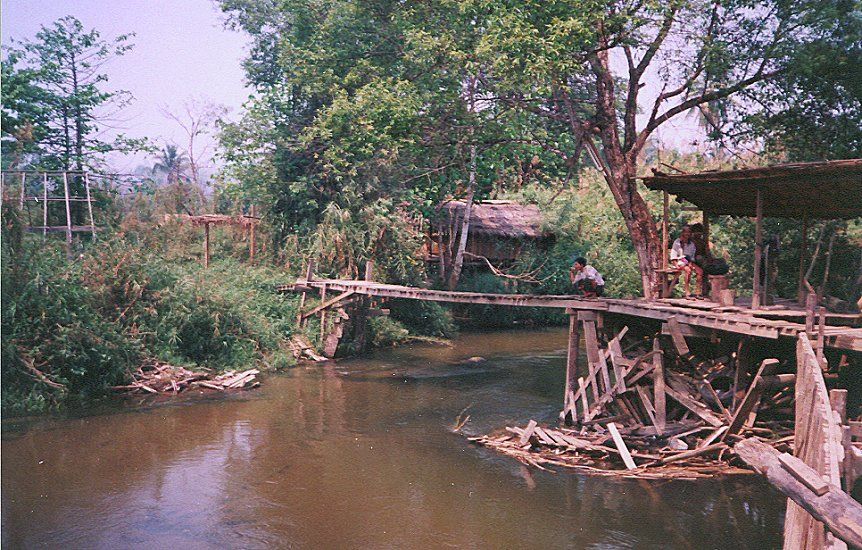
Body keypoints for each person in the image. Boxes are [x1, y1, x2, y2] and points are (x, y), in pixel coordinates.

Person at [670, 225, 703, 297]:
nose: (687, 234)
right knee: (688, 270)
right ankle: (687, 292)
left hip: (689, 261)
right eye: (685, 232)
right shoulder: (677, 242)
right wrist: (676, 265)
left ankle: (698, 292)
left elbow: (691, 256)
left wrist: (690, 263)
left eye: (689, 232)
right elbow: (674, 256)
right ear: (682, 232)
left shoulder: (691, 244)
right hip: (680, 261)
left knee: (700, 272)